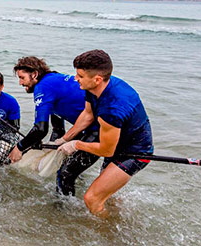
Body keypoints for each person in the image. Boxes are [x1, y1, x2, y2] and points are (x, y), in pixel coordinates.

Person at [56, 50, 153, 216]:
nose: (75, 78)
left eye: (79, 75)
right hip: (114, 142)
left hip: (135, 152)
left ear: (97, 79)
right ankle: (117, 217)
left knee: (92, 198)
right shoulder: (94, 87)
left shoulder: (112, 109)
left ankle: (106, 233)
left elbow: (106, 150)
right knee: (105, 195)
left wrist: (76, 144)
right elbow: (87, 115)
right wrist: (65, 138)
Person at [8, 56, 99, 196]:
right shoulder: (53, 80)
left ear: (35, 74)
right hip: (91, 126)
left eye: (22, 78)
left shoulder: (42, 87)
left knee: (64, 174)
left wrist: (19, 148)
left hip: (100, 128)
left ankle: (64, 212)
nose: (20, 83)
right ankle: (79, 190)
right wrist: (43, 146)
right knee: (71, 165)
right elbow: (58, 130)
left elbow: (40, 129)